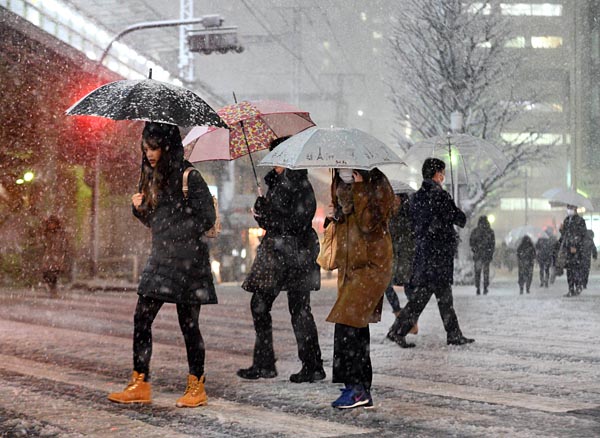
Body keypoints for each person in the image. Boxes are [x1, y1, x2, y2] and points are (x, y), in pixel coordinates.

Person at [108, 122, 216, 408]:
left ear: (167, 147)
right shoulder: (151, 178)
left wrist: (176, 227)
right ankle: (140, 381)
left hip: (189, 262)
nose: (150, 154)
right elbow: (154, 223)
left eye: (154, 148)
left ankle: (197, 385)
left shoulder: (189, 176)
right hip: (161, 258)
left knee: (189, 325)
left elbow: (205, 218)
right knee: (142, 317)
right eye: (146, 149)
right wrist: (139, 208)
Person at [237, 137, 324, 383]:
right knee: (260, 305)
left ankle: (312, 365)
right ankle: (264, 363)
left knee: (299, 309)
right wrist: (261, 213)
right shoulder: (275, 184)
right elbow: (275, 222)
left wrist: (270, 215)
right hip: (276, 254)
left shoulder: (301, 185)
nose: (272, 159)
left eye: (277, 155)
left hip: (296, 254)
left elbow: (296, 223)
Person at [387, 158, 474, 348]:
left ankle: (452, 333)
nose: (443, 176)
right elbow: (460, 219)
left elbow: (413, 224)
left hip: (424, 255)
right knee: (430, 299)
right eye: (442, 172)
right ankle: (399, 331)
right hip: (439, 255)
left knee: (436, 298)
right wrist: (455, 209)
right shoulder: (440, 196)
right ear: (437, 174)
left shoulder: (416, 197)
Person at [326, 167, 394, 409]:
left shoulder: (376, 184)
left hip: (371, 266)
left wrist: (361, 188)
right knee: (353, 325)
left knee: (348, 323)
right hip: (350, 268)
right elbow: (349, 226)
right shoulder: (340, 183)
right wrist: (335, 215)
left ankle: (357, 388)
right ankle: (358, 387)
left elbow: (368, 224)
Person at [384, 191, 418, 334]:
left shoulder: (408, 214)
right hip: (391, 256)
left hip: (405, 256)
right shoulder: (386, 214)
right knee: (386, 286)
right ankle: (399, 313)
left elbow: (409, 235)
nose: (395, 200)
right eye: (393, 197)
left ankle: (412, 320)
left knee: (408, 288)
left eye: (397, 197)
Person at [559, 205, 588, 296]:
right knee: (569, 270)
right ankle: (571, 289)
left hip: (577, 250)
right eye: (568, 208)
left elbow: (582, 235)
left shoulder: (580, 221)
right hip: (568, 249)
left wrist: (575, 245)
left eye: (570, 208)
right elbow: (565, 235)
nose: (569, 210)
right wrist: (561, 230)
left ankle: (578, 286)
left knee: (576, 269)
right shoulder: (567, 220)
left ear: (575, 209)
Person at [41, 215, 69, 296]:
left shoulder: (60, 233)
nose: (51, 225)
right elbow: (43, 241)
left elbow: (63, 243)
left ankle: (53, 290)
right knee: (46, 273)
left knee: (54, 274)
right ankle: (50, 288)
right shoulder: (46, 233)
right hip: (49, 256)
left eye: (53, 223)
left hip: (57, 255)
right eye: (50, 223)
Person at [469, 215, 495, 295]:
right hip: (486, 255)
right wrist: (490, 253)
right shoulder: (490, 231)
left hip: (478, 255)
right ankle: (485, 287)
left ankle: (478, 287)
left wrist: (475, 250)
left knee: (477, 272)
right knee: (486, 272)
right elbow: (492, 244)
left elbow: (471, 242)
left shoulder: (475, 231)